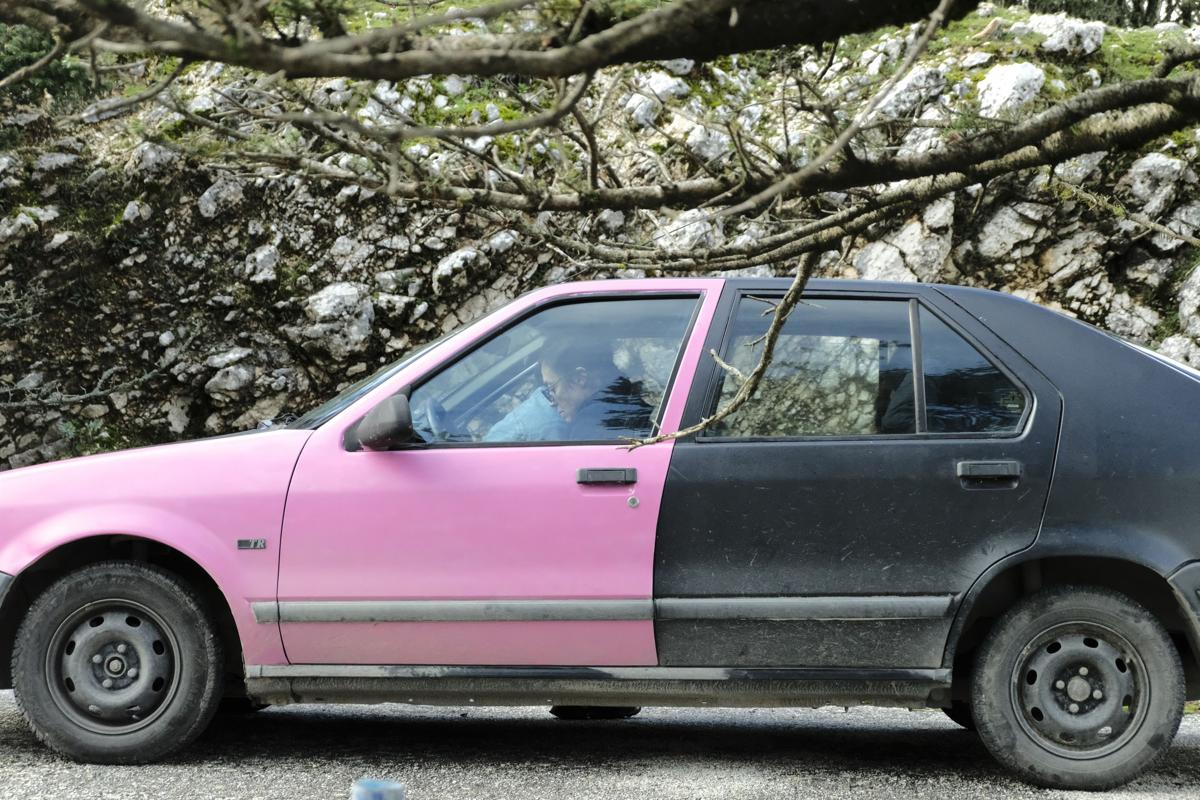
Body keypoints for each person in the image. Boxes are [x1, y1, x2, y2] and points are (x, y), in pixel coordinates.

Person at [537, 338, 654, 441]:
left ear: (579, 378)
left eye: (552, 388)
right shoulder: (630, 399)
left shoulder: (589, 427)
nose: (552, 402)